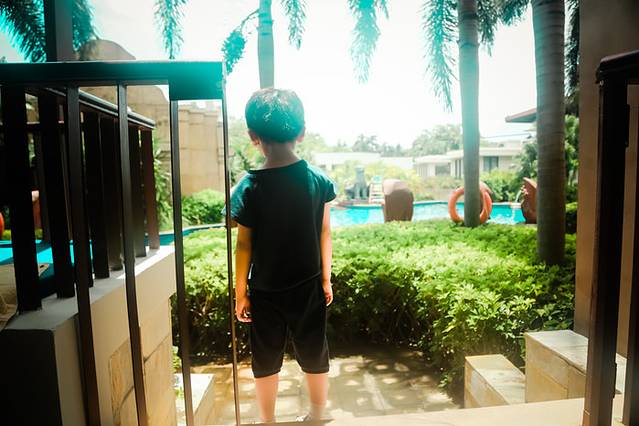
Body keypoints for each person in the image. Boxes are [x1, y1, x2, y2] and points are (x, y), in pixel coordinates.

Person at [231, 88, 336, 423]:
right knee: (314, 353)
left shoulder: (248, 187)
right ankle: (317, 414)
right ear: (301, 132)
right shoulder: (318, 180)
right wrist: (325, 279)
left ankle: (267, 420)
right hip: (308, 285)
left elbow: (244, 245)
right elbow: (324, 232)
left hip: (265, 290)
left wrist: (241, 293)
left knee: (265, 360)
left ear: (253, 136)